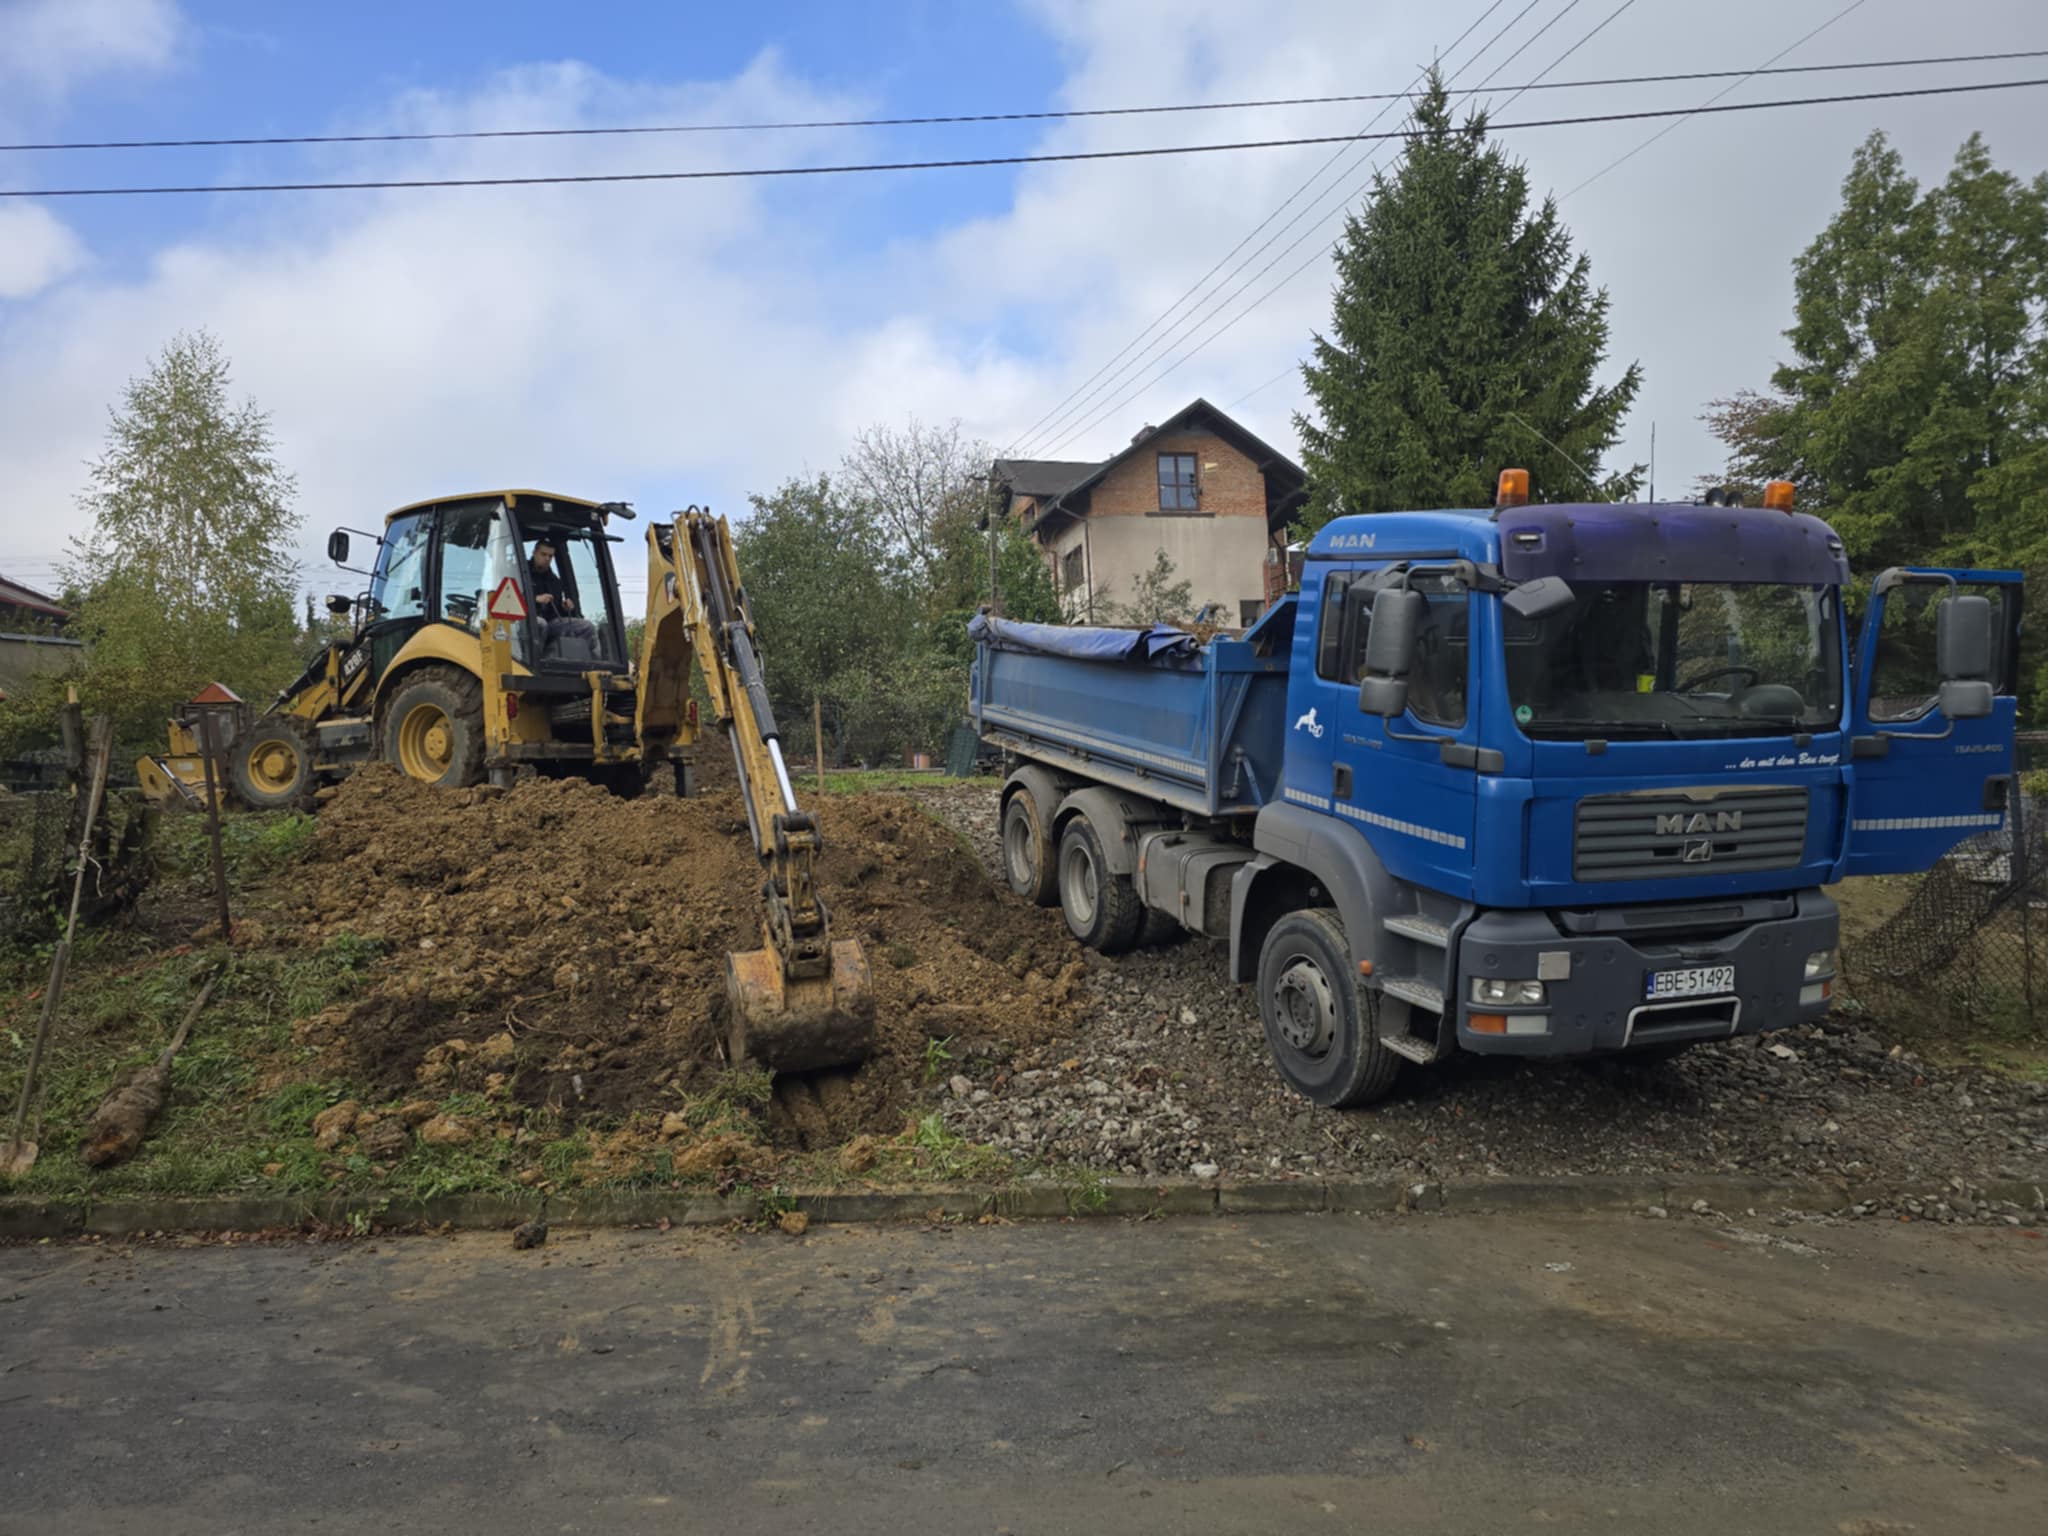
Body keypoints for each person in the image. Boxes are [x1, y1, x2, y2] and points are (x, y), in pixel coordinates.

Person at [527, 536, 596, 647]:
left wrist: (565, 608)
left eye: (550, 556)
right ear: (534, 553)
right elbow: (512, 601)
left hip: (551, 623)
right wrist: (535, 600)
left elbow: (557, 611)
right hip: (525, 621)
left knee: (587, 627)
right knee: (540, 624)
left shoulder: (555, 581)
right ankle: (537, 660)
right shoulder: (521, 573)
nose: (547, 559)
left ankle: (578, 659)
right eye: (543, 554)